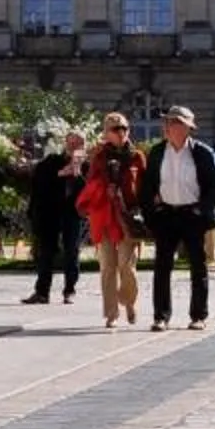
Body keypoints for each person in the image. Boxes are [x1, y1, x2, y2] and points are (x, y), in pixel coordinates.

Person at [142, 105, 215, 328]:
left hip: (192, 215)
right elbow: (147, 186)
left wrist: (201, 209)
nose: (170, 126)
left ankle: (198, 316)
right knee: (162, 267)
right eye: (169, 122)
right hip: (166, 214)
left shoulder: (202, 152)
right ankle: (161, 316)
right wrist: (152, 213)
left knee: (198, 267)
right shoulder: (158, 152)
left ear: (188, 128)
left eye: (176, 123)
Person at [75, 112, 145, 327]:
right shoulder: (98, 156)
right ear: (106, 133)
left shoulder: (137, 156)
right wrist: (106, 189)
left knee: (127, 265)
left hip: (128, 216)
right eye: (116, 129)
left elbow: (144, 187)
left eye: (124, 128)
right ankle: (111, 313)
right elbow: (90, 184)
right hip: (104, 215)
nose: (121, 132)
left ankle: (129, 301)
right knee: (107, 266)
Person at [22, 130, 82, 305]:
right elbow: (39, 181)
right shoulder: (52, 161)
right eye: (71, 143)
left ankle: (69, 291)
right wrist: (61, 173)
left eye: (78, 144)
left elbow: (89, 190)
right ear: (65, 143)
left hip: (73, 212)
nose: (74, 147)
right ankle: (42, 292)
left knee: (72, 251)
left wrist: (78, 173)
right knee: (46, 251)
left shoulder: (86, 165)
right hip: (51, 212)